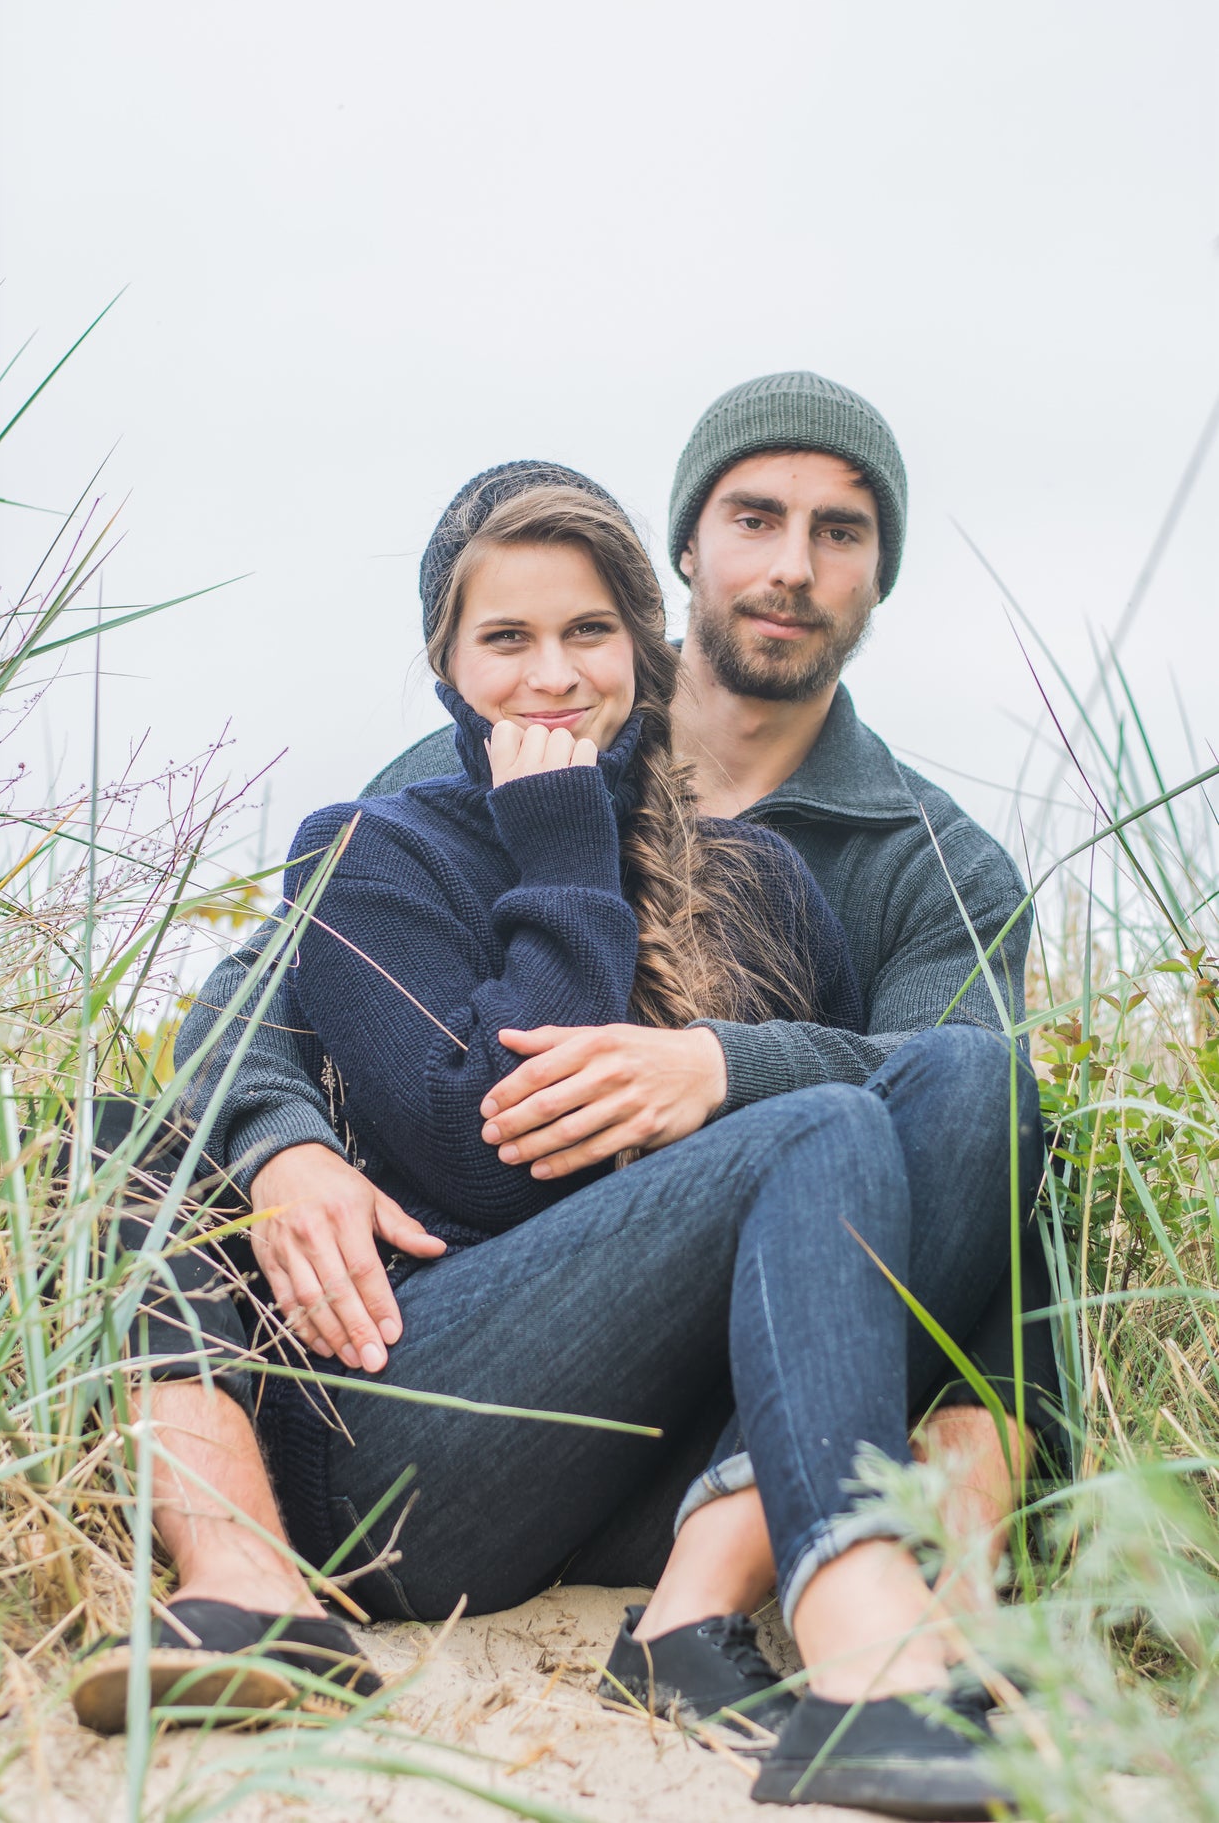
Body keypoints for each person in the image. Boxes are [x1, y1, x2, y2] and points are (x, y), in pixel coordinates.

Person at [72, 384, 1053, 1818]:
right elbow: (460, 1146)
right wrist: (285, 1145)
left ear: (643, 649)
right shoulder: (385, 831)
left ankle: (722, 1607)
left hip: (652, 1436)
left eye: (589, 632)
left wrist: (720, 1065)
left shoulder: (834, 870)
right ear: (447, 666)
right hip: (433, 1378)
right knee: (822, 1124)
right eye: (506, 640)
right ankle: (849, 1632)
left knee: (941, 1095)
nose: (551, 674)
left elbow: (931, 1111)